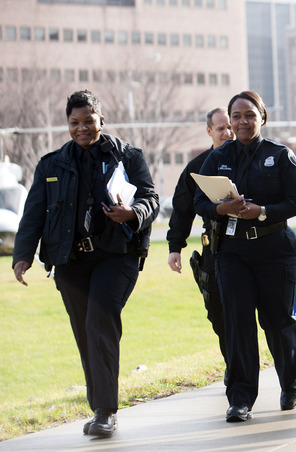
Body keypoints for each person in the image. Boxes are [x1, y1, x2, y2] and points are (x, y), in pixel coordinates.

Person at [12, 89, 159, 435]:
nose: (82, 128)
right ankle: (99, 408)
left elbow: (151, 198)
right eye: (74, 122)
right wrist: (22, 255)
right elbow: (33, 213)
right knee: (84, 333)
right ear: (68, 124)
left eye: (88, 121)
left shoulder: (129, 156)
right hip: (69, 261)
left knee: (99, 323)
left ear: (101, 119)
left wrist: (132, 213)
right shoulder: (51, 164)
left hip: (116, 255)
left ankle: (106, 411)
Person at [193, 90, 296, 422]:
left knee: (277, 320)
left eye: (249, 115)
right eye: (236, 117)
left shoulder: (281, 155)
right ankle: (240, 399)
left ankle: (290, 383)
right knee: (238, 323)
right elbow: (199, 203)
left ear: (263, 118)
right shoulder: (217, 158)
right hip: (232, 252)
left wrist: (261, 212)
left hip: (275, 249)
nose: (242, 122)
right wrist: (220, 208)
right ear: (230, 122)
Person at [167, 107, 234, 370]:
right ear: (210, 132)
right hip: (215, 248)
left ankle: (245, 372)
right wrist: (175, 247)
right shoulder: (197, 167)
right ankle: (234, 368)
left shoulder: (251, 159)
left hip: (252, 247)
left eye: (230, 126)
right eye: (221, 128)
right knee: (217, 312)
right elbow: (182, 210)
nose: (228, 132)